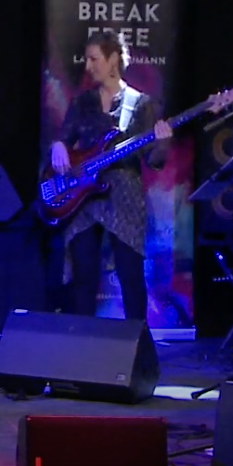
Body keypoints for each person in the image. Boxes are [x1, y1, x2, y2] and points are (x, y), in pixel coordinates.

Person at [47, 31, 172, 321]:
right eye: (87, 59)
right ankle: (82, 343)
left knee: (131, 276)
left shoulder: (141, 104)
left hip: (124, 194)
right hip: (84, 195)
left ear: (113, 59)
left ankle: (137, 345)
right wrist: (58, 146)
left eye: (94, 59)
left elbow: (154, 161)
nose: (88, 66)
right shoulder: (82, 102)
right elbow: (64, 138)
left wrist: (163, 143)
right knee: (83, 277)